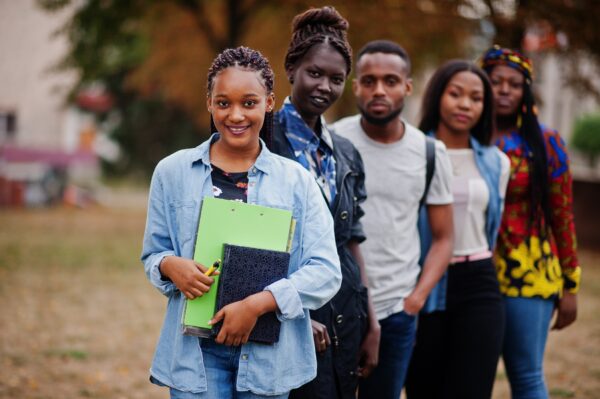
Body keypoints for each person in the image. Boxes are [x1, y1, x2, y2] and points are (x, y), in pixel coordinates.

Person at [140, 46, 342, 399]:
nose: (235, 115)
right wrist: (171, 265)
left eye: (248, 102)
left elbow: (326, 270)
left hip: (268, 356)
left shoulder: (297, 181)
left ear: (269, 102)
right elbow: (154, 254)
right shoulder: (172, 173)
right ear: (209, 103)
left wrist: (258, 304)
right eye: (223, 103)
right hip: (195, 355)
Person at [332, 40, 454, 399]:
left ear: (408, 87)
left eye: (390, 80)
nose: (379, 90)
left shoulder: (431, 153)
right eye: (368, 81)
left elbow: (445, 237)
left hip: (397, 310)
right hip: (336, 304)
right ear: (355, 87)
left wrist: (414, 299)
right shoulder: (334, 140)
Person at [269, 7, 380, 399]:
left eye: (336, 79)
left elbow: (351, 241)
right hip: (278, 308)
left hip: (344, 311)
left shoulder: (346, 153)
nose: (324, 86)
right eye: (314, 73)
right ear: (291, 69)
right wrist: (293, 314)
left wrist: (371, 318)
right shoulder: (260, 138)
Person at [480, 46, 581, 398]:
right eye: (496, 82)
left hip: (530, 274)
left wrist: (571, 284)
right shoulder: (466, 137)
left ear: (526, 92)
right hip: (472, 272)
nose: (505, 90)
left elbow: (562, 214)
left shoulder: (546, 142)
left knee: (525, 374)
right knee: (472, 375)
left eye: (514, 84)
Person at [405, 60, 510, 399]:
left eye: (476, 98)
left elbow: (491, 225)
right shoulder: (414, 153)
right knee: (424, 386)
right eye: (455, 94)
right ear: (438, 97)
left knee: (473, 387)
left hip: (479, 282)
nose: (465, 104)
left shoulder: (497, 162)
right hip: (425, 281)